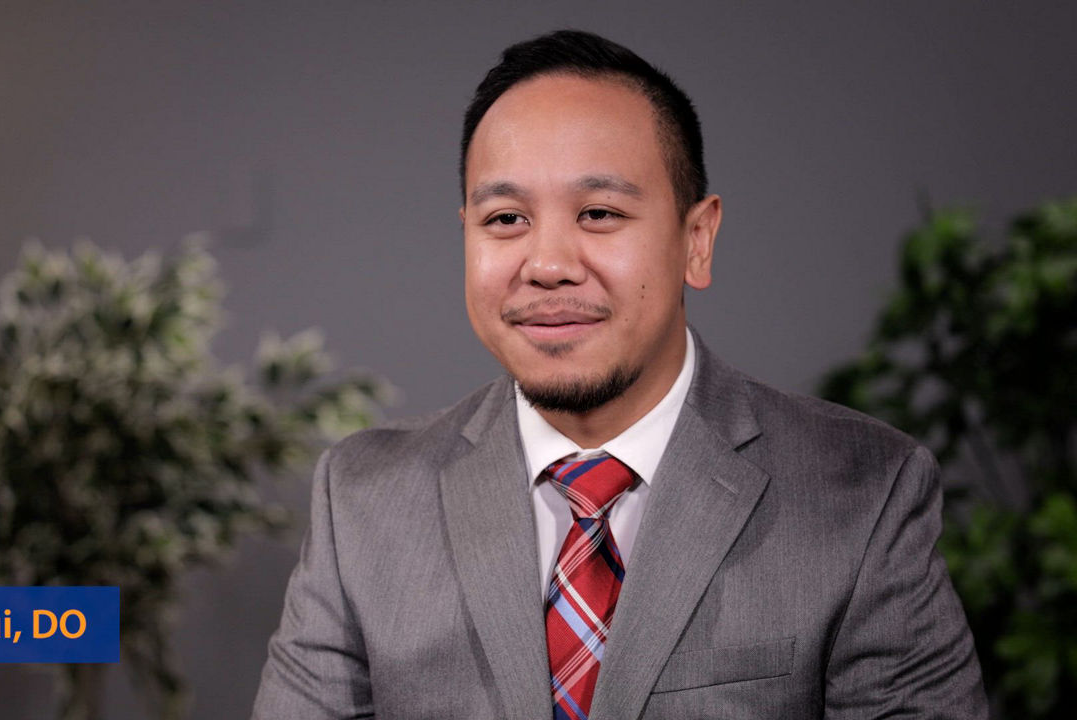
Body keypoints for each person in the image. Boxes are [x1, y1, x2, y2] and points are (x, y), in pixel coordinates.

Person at [251, 30, 986, 720]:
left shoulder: (864, 494)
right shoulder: (363, 500)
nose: (547, 265)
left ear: (696, 240)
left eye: (599, 213)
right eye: (505, 219)